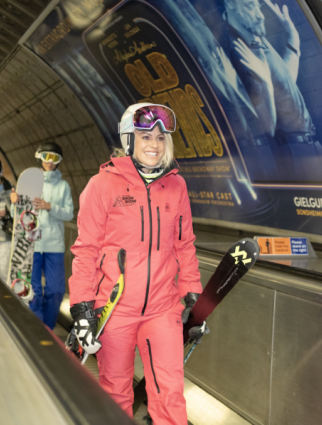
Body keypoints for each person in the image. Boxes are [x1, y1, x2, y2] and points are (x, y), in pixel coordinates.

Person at [69, 104, 207, 424]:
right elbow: (86, 249)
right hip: (115, 307)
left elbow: (184, 244)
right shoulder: (102, 185)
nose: (154, 144)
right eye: (145, 136)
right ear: (128, 138)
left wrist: (193, 294)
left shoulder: (176, 185)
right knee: (116, 393)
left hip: (163, 307)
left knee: (169, 392)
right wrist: (82, 306)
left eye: (160, 137)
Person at [224, 0, 322, 180]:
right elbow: (266, 127)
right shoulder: (241, 50)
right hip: (297, 153)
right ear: (230, 4)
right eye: (249, 4)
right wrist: (264, 82)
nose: (260, 14)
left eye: (257, 4)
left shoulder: (255, 39)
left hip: (307, 148)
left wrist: (293, 40)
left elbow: (285, 85)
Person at [10, 142, 74, 329]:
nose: (50, 161)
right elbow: (18, 214)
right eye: (46, 156)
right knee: (34, 290)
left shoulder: (63, 186)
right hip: (32, 244)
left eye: (55, 158)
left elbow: (69, 213)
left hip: (54, 244)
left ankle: (48, 327)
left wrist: (50, 207)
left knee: (55, 290)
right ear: (39, 157)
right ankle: (37, 328)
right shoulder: (28, 181)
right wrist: (14, 202)